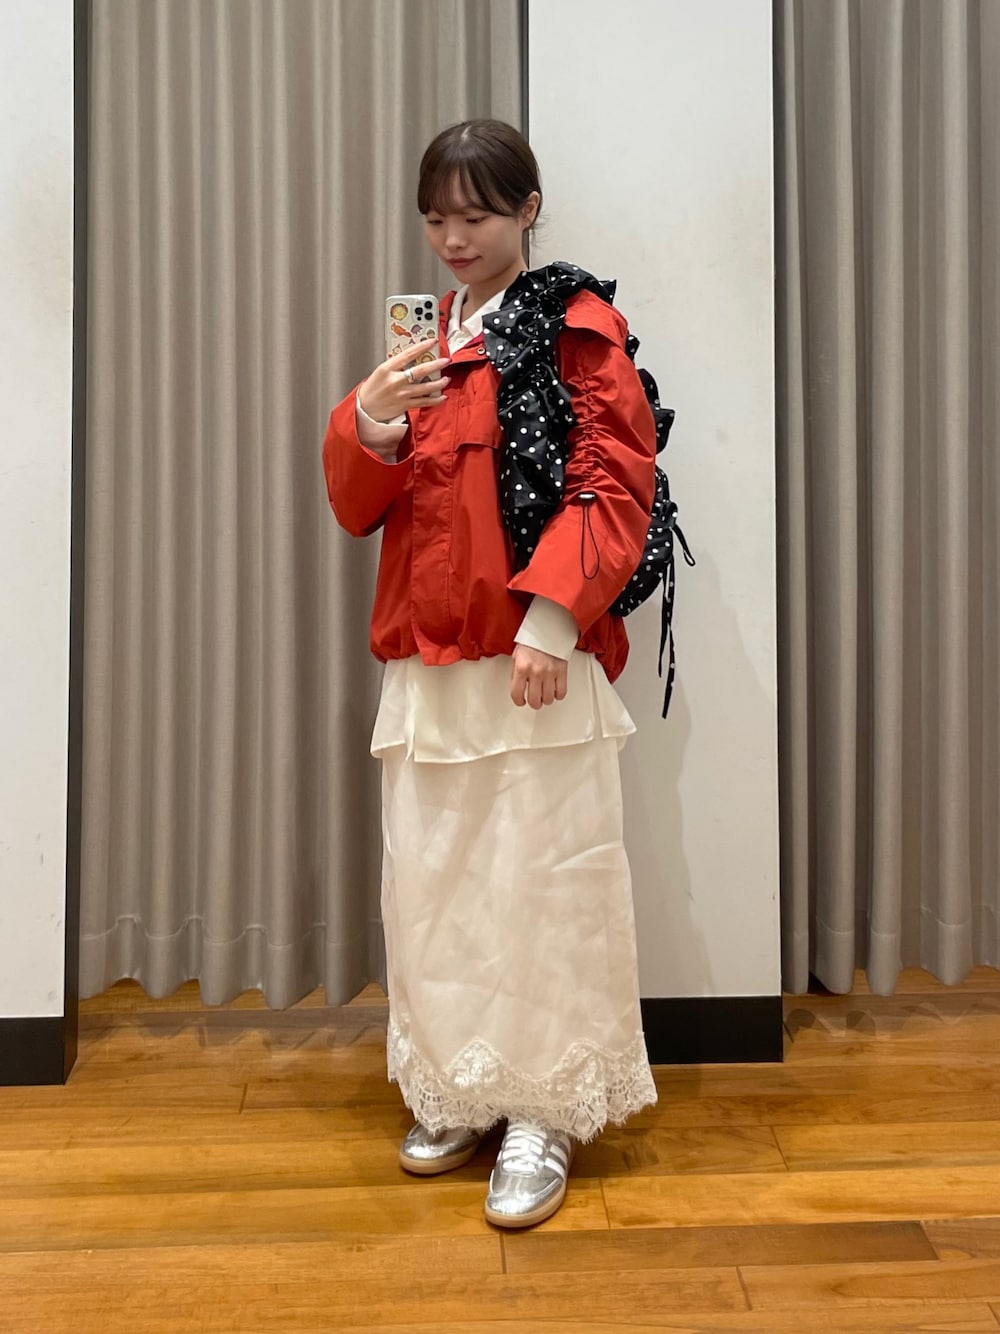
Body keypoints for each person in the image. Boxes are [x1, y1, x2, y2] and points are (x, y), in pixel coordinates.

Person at [322, 118, 658, 1229]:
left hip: (529, 661)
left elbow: (614, 479)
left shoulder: (574, 326)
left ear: (528, 209)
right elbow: (362, 506)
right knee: (438, 888)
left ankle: (542, 1111)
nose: (453, 238)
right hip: (428, 663)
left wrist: (552, 620)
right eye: (435, 219)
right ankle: (461, 1085)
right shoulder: (427, 341)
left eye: (473, 215)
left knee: (544, 886)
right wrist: (371, 419)